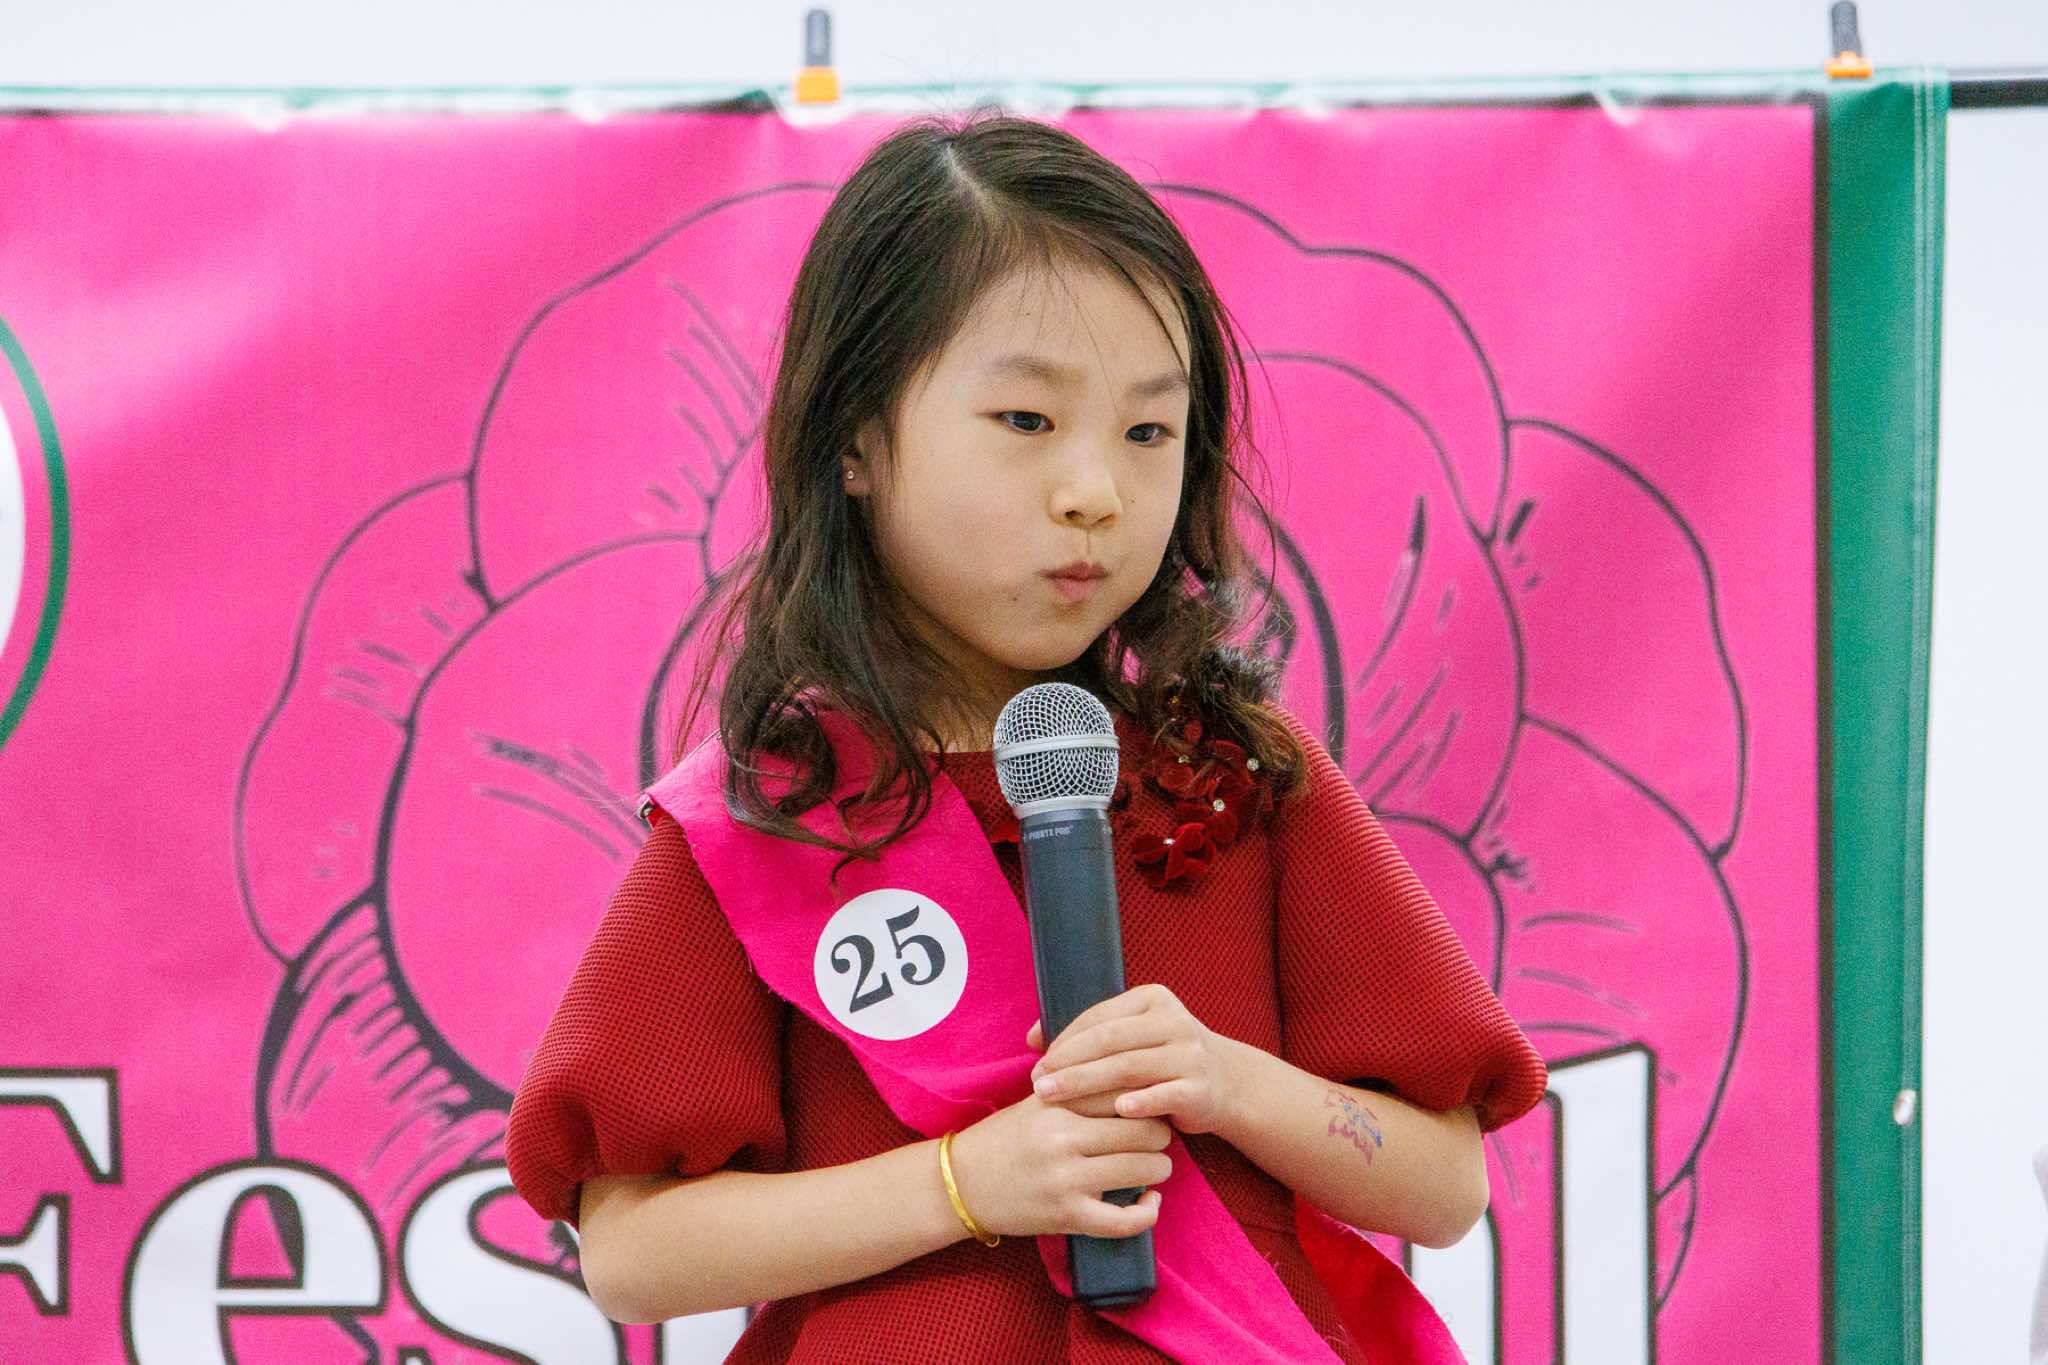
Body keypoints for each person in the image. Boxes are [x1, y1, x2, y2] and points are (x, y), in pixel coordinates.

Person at [504, 109, 1548, 1363]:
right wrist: (965, 1184)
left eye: (1147, 433)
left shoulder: (1245, 778)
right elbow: (630, 1254)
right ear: (854, 439)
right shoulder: (766, 817)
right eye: (1025, 422)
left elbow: (1442, 1185)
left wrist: (1226, 1084)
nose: (1094, 493)